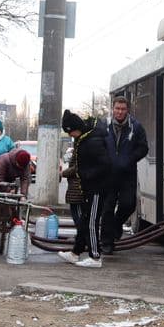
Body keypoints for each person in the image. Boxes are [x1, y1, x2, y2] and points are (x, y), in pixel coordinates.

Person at [57, 110, 111, 268]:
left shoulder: (92, 141)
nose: (71, 136)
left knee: (91, 222)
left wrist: (86, 174)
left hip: (96, 188)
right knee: (85, 220)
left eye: (70, 132)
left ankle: (95, 257)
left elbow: (105, 164)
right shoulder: (85, 138)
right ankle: (75, 253)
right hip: (89, 187)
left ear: (75, 128)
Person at [100, 95, 149, 254]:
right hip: (108, 174)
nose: (120, 112)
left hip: (127, 174)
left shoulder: (136, 127)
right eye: (117, 109)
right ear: (112, 109)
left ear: (127, 110)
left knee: (129, 204)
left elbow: (143, 148)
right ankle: (107, 242)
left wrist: (129, 159)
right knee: (107, 208)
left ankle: (116, 225)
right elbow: (97, 144)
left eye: (123, 109)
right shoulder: (103, 125)